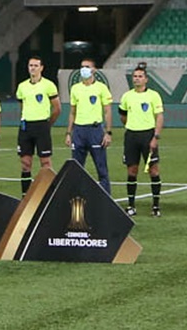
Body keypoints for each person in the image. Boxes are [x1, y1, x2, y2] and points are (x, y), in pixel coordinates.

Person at [118, 63, 164, 216]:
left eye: (140, 77)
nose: (136, 79)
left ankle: (156, 207)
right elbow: (123, 116)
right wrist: (132, 126)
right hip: (131, 135)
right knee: (132, 170)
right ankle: (131, 206)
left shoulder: (153, 96)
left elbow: (159, 117)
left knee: (153, 170)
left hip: (148, 135)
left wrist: (155, 136)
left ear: (146, 79)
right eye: (135, 76)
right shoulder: (126, 96)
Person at [65, 59, 114, 194]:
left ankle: (106, 199)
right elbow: (72, 112)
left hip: (95, 130)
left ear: (94, 70)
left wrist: (108, 132)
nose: (83, 69)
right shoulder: (75, 88)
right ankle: (76, 198)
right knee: (76, 169)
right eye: (82, 67)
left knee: (101, 168)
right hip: (79, 131)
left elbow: (108, 111)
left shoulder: (101, 88)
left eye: (87, 67)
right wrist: (69, 133)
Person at [15, 56, 61, 194]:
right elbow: (22, 106)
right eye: (30, 65)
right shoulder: (22, 86)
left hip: (42, 126)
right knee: (25, 164)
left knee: (45, 163)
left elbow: (57, 109)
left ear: (41, 68)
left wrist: (48, 124)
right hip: (26, 126)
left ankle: (49, 193)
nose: (33, 68)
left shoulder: (49, 85)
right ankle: (25, 196)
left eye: (36, 65)